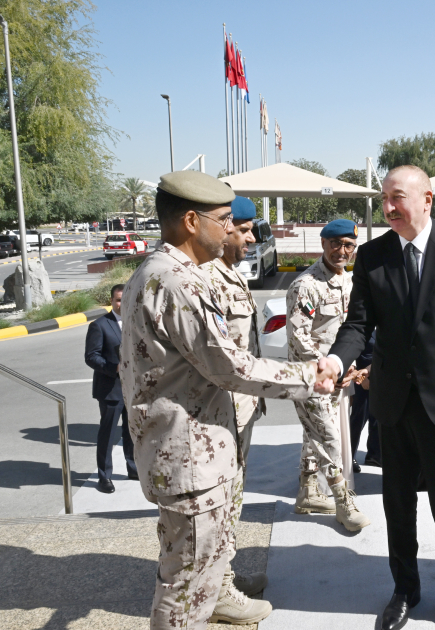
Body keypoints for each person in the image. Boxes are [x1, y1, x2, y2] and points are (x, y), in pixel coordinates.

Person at [120, 170, 338, 630]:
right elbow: (230, 366)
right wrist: (309, 376)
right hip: (190, 457)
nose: (231, 230)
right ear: (191, 221)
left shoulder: (159, 272)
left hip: (188, 449)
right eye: (223, 220)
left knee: (195, 576)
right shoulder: (178, 281)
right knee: (184, 593)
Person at [328, 165, 435, 630]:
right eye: (384, 198)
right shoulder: (372, 255)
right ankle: (405, 590)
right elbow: (358, 324)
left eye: (397, 197)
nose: (387, 207)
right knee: (398, 507)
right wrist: (337, 360)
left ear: (426, 199)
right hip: (393, 405)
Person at [199, 195, 268, 598]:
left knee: (233, 498)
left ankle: (223, 576)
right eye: (243, 230)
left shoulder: (231, 273)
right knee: (221, 501)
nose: (252, 238)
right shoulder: (206, 279)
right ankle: (219, 589)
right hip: (219, 414)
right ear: (223, 230)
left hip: (241, 409)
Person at [286, 219, 371, 531]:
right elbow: (299, 338)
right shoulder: (306, 285)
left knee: (315, 434)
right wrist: (330, 369)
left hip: (337, 377)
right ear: (323, 243)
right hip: (310, 377)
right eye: (336, 243)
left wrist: (350, 366)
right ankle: (343, 502)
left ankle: (308, 493)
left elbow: (351, 331)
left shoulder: (347, 281)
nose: (342, 251)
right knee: (330, 438)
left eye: (349, 245)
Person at [84, 284, 137, 494]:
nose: (122, 304)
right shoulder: (99, 325)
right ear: (112, 301)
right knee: (107, 434)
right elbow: (91, 356)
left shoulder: (136, 322)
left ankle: (133, 468)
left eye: (125, 300)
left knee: (131, 431)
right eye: (118, 300)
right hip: (110, 389)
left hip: (133, 388)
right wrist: (113, 367)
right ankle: (104, 476)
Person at [349, 331, 381, 473]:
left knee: (377, 417)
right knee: (358, 419)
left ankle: (375, 455)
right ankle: (349, 457)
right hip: (362, 380)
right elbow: (351, 354)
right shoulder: (361, 326)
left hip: (380, 376)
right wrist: (361, 378)